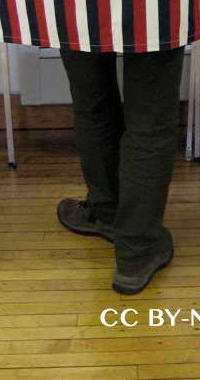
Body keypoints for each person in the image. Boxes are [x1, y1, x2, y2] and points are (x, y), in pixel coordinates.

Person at [55, 48, 185, 294]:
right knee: (151, 112)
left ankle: (107, 213)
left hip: (75, 7)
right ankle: (138, 251)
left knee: (92, 97)